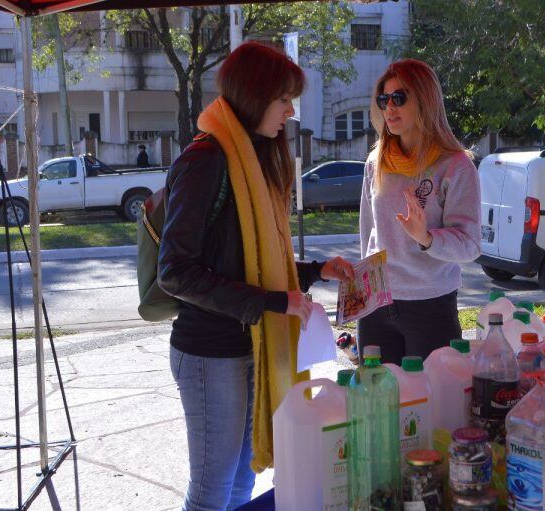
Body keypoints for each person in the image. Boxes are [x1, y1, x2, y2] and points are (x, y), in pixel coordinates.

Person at [157, 42, 354, 511]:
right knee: (211, 492)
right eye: (283, 98)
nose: (290, 110)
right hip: (210, 356)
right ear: (254, 94)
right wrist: (273, 302)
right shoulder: (206, 160)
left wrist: (314, 271)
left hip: (249, 347)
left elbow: (254, 262)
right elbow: (176, 271)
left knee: (243, 483)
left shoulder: (254, 159)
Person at [358, 59, 481, 365]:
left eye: (399, 98)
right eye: (383, 100)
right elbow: (367, 232)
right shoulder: (376, 162)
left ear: (425, 101)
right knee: (378, 403)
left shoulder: (456, 166)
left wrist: (426, 238)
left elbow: (470, 244)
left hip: (430, 305)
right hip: (377, 304)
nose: (389, 108)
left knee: (432, 405)